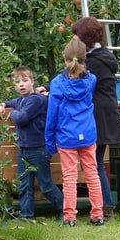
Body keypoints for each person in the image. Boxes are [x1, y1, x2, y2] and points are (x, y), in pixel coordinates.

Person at [45, 38, 104, 227]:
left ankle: (70, 217)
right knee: (92, 175)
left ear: (64, 58)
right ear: (84, 59)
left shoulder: (57, 83)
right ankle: (97, 216)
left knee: (69, 178)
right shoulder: (92, 80)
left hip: (66, 136)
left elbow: (52, 113)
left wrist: (49, 140)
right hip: (87, 134)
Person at [0, 66, 64, 221]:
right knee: (24, 185)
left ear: (32, 81)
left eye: (25, 80)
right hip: (23, 149)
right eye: (17, 82)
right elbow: (11, 101)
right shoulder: (21, 100)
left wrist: (11, 113)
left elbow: (22, 118)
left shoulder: (37, 100)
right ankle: (26, 215)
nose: (21, 84)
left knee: (45, 185)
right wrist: (3, 105)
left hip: (38, 149)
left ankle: (65, 210)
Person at [71, 16, 120, 221]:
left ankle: (106, 208)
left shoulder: (95, 62)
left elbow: (76, 82)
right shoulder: (101, 57)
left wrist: (51, 90)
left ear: (86, 38)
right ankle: (104, 206)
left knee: (94, 163)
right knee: (95, 163)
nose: (74, 40)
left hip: (99, 116)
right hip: (104, 114)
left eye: (76, 36)